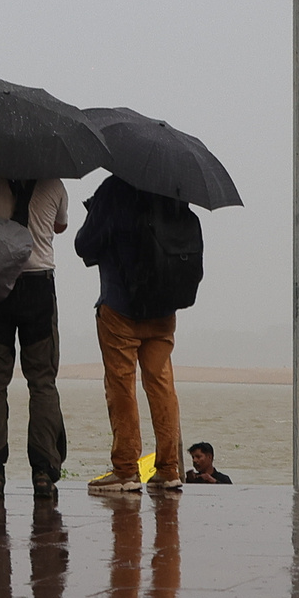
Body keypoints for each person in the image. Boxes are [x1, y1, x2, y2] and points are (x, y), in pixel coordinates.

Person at [0, 171, 70, 501]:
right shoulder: (54, 182)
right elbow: (58, 226)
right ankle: (44, 471)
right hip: (38, 287)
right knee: (43, 380)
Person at [74, 176, 186, 494]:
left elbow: (84, 245)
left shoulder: (114, 189)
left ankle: (125, 470)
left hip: (120, 305)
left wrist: (96, 211)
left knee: (121, 387)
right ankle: (168, 469)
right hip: (164, 307)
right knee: (162, 385)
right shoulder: (170, 189)